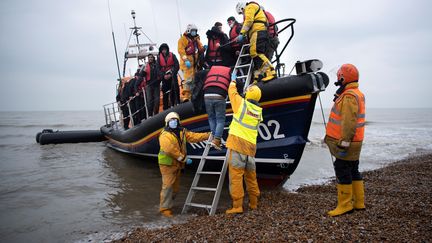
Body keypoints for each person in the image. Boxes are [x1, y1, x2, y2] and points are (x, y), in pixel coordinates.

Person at [325, 64, 366, 217]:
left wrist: (344, 141)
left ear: (344, 77)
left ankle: (345, 204)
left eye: (339, 76)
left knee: (342, 168)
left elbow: (349, 121)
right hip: (357, 140)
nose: (337, 78)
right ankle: (359, 202)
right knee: (353, 168)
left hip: (348, 141)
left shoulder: (349, 96)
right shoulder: (357, 93)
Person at [158, 112, 210, 217]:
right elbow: (170, 150)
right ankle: (164, 209)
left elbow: (194, 137)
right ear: (167, 123)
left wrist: (208, 135)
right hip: (167, 164)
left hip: (177, 164)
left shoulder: (182, 131)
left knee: (175, 188)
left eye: (175, 120)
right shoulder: (164, 135)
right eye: (171, 120)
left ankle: (168, 204)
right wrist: (184, 159)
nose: (174, 122)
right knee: (167, 186)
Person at [225, 72, 263, 214]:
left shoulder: (241, 105)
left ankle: (237, 206)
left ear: (248, 95)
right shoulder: (259, 112)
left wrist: (233, 81)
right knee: (251, 178)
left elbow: (232, 92)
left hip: (237, 147)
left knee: (236, 178)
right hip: (251, 150)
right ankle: (254, 203)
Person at [235, 2, 276, 82]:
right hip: (258, 32)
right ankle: (259, 76)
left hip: (258, 31)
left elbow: (249, 21)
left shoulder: (249, 7)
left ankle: (271, 72)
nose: (242, 14)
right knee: (255, 55)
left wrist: (242, 33)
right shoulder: (253, 8)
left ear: (242, 8)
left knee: (256, 53)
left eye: (241, 12)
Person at [202, 65, 232, 150]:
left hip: (207, 95)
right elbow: (236, 83)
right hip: (219, 96)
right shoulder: (228, 71)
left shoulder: (211, 71)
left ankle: (214, 138)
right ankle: (217, 140)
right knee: (220, 119)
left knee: (211, 117)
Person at [178, 24, 205, 101]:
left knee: (195, 80)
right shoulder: (182, 40)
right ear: (189, 30)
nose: (194, 32)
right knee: (188, 80)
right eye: (193, 31)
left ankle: (193, 97)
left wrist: (203, 48)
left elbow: (200, 48)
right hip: (187, 65)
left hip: (195, 64)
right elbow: (181, 51)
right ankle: (186, 97)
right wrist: (186, 60)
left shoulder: (196, 40)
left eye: (195, 31)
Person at [157, 43, 180, 109]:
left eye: (165, 49)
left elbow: (177, 65)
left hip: (172, 75)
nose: (164, 51)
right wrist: (163, 75)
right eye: (162, 50)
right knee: (165, 92)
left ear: (167, 50)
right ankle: (166, 107)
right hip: (164, 77)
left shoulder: (172, 55)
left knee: (175, 88)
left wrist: (172, 73)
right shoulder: (159, 59)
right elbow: (158, 69)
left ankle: (177, 102)